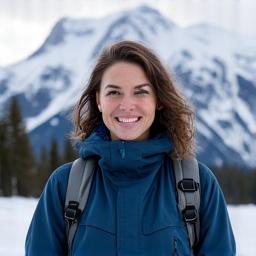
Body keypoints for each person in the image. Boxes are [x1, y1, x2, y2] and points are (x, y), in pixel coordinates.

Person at [25, 40, 236, 255]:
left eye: (141, 92)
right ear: (99, 100)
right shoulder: (65, 186)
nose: (126, 105)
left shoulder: (197, 185)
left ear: (158, 100)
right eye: (114, 92)